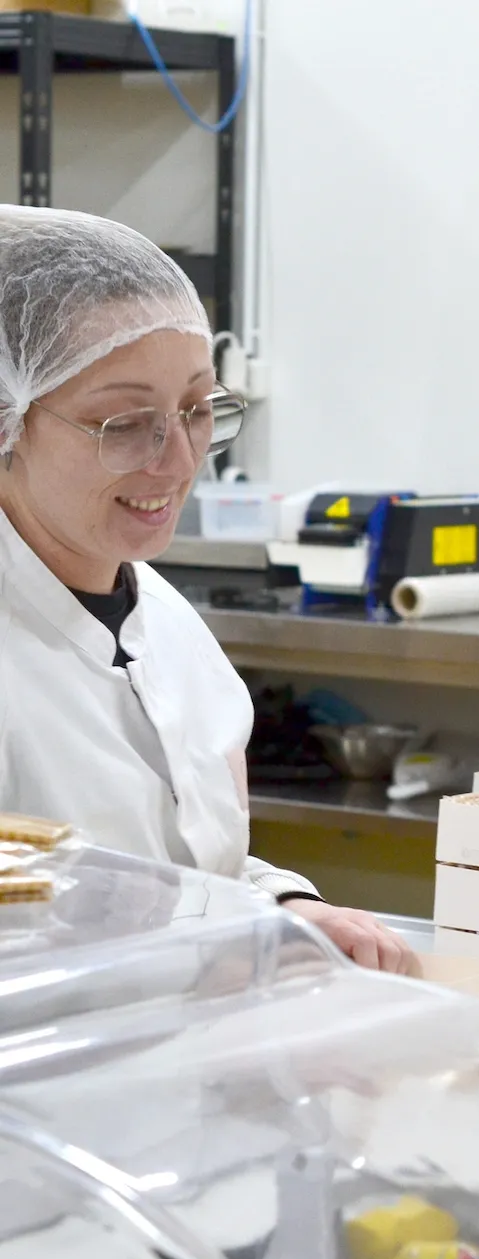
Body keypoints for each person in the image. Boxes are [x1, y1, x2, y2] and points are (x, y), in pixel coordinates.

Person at [0, 206, 416, 976]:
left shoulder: (165, 620)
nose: (178, 458)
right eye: (124, 421)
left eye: (196, 409)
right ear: (8, 420)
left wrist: (286, 908)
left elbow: (188, 870)